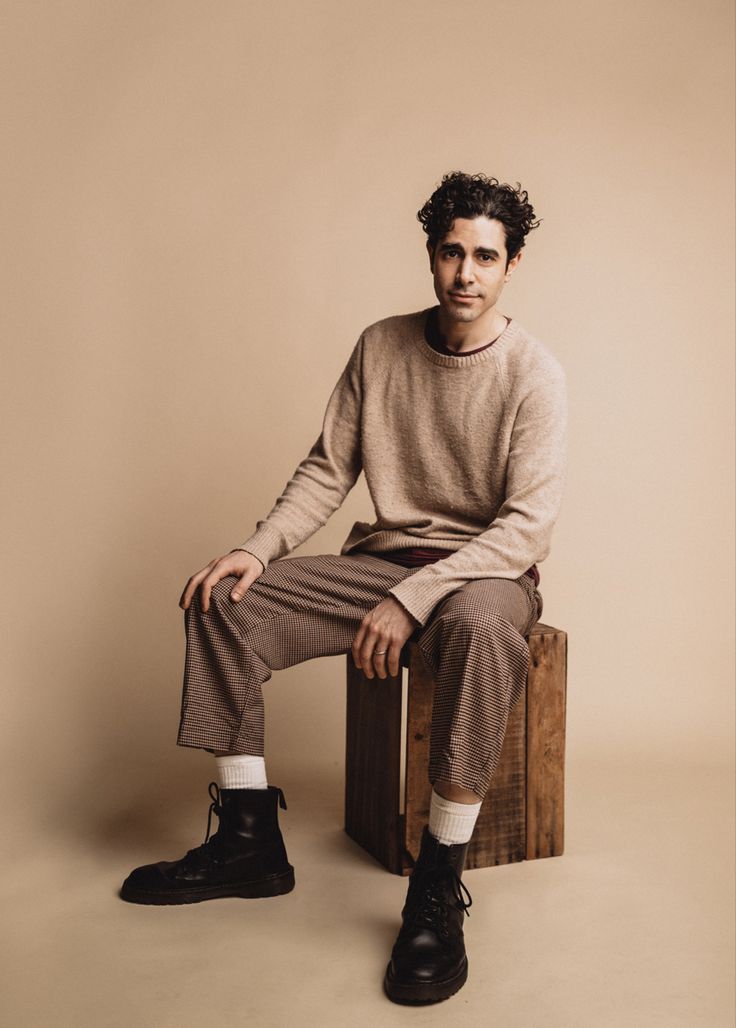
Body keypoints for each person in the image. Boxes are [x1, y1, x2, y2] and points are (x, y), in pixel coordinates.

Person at [119, 171, 568, 1006]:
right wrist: (255, 550)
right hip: (379, 564)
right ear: (431, 257)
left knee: (475, 629)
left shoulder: (534, 374)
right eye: (450, 253)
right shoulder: (382, 345)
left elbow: (526, 528)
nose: (465, 273)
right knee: (223, 600)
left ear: (510, 267)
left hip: (485, 577)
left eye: (484, 256)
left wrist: (417, 596)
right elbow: (328, 470)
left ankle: (437, 880)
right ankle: (250, 841)